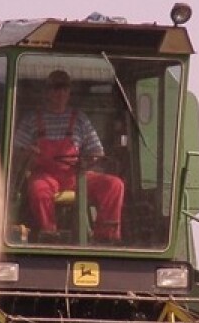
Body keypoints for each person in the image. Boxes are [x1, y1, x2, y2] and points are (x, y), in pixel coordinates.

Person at [14, 70, 124, 243]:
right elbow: (17, 150)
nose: (61, 92)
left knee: (114, 185)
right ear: (47, 92)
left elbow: (97, 150)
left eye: (65, 88)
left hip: (77, 175)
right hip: (46, 175)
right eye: (56, 88)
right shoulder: (32, 119)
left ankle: (106, 235)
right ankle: (49, 233)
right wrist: (28, 153)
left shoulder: (80, 119)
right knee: (38, 190)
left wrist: (88, 160)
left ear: (69, 92)